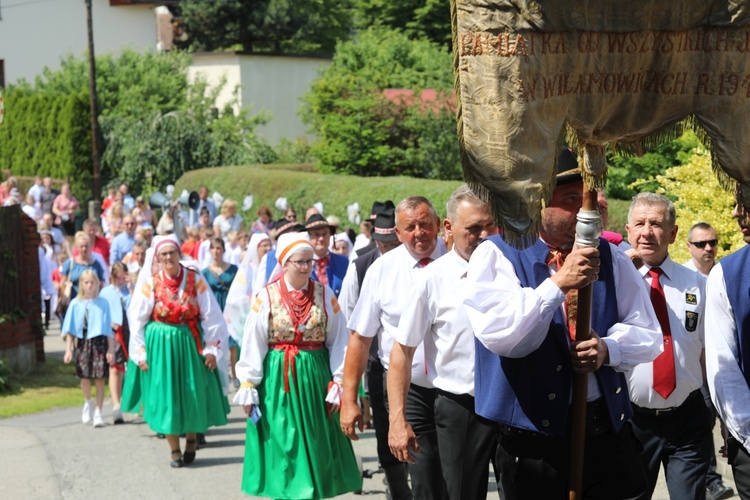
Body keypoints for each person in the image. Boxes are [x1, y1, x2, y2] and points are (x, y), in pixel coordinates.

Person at [463, 149, 663, 499]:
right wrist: (558, 284)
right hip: (534, 447)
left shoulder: (611, 256)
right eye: (571, 200)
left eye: (588, 201)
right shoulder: (496, 253)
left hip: (604, 435)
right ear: (538, 204)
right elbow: (504, 336)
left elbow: (648, 334)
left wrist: (607, 349)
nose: (585, 212)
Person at [388, 186, 499, 500]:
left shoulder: (510, 268)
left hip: (510, 402)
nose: (483, 235)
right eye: (473, 228)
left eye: (489, 225)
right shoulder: (430, 279)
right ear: (448, 228)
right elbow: (402, 351)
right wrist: (398, 419)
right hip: (461, 406)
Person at [233, 232, 362, 499]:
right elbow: (253, 341)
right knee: (284, 443)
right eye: (299, 262)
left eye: (309, 262)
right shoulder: (266, 297)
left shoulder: (325, 295)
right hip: (278, 380)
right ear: (284, 263)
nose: (305, 267)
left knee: (315, 443)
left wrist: (338, 380)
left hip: (314, 378)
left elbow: (339, 341)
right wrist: (249, 381)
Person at [342, 196, 447, 500]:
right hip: (407, 387)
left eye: (425, 224)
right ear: (398, 234)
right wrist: (350, 398)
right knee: (424, 474)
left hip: (455, 386)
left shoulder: (459, 262)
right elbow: (360, 338)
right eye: (410, 227)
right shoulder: (381, 271)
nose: (419, 233)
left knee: (458, 476)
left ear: (438, 225)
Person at [624, 193, 712, 499]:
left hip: (688, 420)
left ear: (673, 233)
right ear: (628, 231)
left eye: (656, 224)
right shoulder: (616, 282)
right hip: (632, 423)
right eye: (640, 223)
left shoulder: (697, 284)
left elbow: (708, 351)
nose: (647, 231)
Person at [121, 234, 229, 468]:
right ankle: (174, 449)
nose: (168, 257)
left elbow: (211, 315)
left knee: (192, 392)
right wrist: (139, 352)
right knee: (166, 396)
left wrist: (212, 348)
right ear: (157, 258)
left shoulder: (194, 279)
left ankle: (191, 438)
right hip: (161, 346)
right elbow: (137, 319)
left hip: (190, 342)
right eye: (164, 254)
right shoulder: (151, 282)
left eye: (172, 252)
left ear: (179, 254)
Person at [705, 203, 750, 499]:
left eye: (745, 204)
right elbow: (725, 370)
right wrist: (747, 433)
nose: (735, 213)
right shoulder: (727, 275)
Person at [62, 269, 114, 428]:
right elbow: (70, 329)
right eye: (86, 282)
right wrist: (68, 349)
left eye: (92, 282)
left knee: (99, 378)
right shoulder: (75, 304)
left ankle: (98, 412)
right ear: (82, 285)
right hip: (83, 343)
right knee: (84, 377)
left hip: (99, 343)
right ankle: (88, 401)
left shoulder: (103, 303)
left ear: (97, 283)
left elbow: (108, 329)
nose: (90, 285)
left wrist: (110, 349)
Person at [202, 237, 239, 382]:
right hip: (215, 308)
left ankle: (235, 374)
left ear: (223, 250)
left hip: (230, 308)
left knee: (233, 344)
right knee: (217, 343)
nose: (216, 251)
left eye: (218, 248)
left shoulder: (233, 269)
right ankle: (220, 375)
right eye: (213, 248)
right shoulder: (205, 272)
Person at [99, 262, 131, 424]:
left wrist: (131, 287)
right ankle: (116, 405)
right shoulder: (105, 292)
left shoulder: (131, 290)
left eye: (123, 278)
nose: (121, 281)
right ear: (112, 277)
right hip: (115, 333)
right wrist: (109, 323)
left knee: (135, 368)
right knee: (115, 368)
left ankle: (137, 403)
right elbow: (101, 313)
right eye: (118, 278)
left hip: (131, 331)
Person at [305, 213, 349, 297]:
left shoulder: (344, 262)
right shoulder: (302, 264)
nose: (321, 238)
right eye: (316, 235)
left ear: (330, 235)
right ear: (308, 237)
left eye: (324, 234)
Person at [60, 232, 106, 300]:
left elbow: (101, 284)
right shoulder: (70, 263)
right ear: (77, 248)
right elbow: (62, 283)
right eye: (81, 246)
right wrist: (63, 298)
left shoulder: (96, 265)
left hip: (92, 301)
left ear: (90, 247)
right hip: (74, 300)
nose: (84, 249)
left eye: (86, 246)